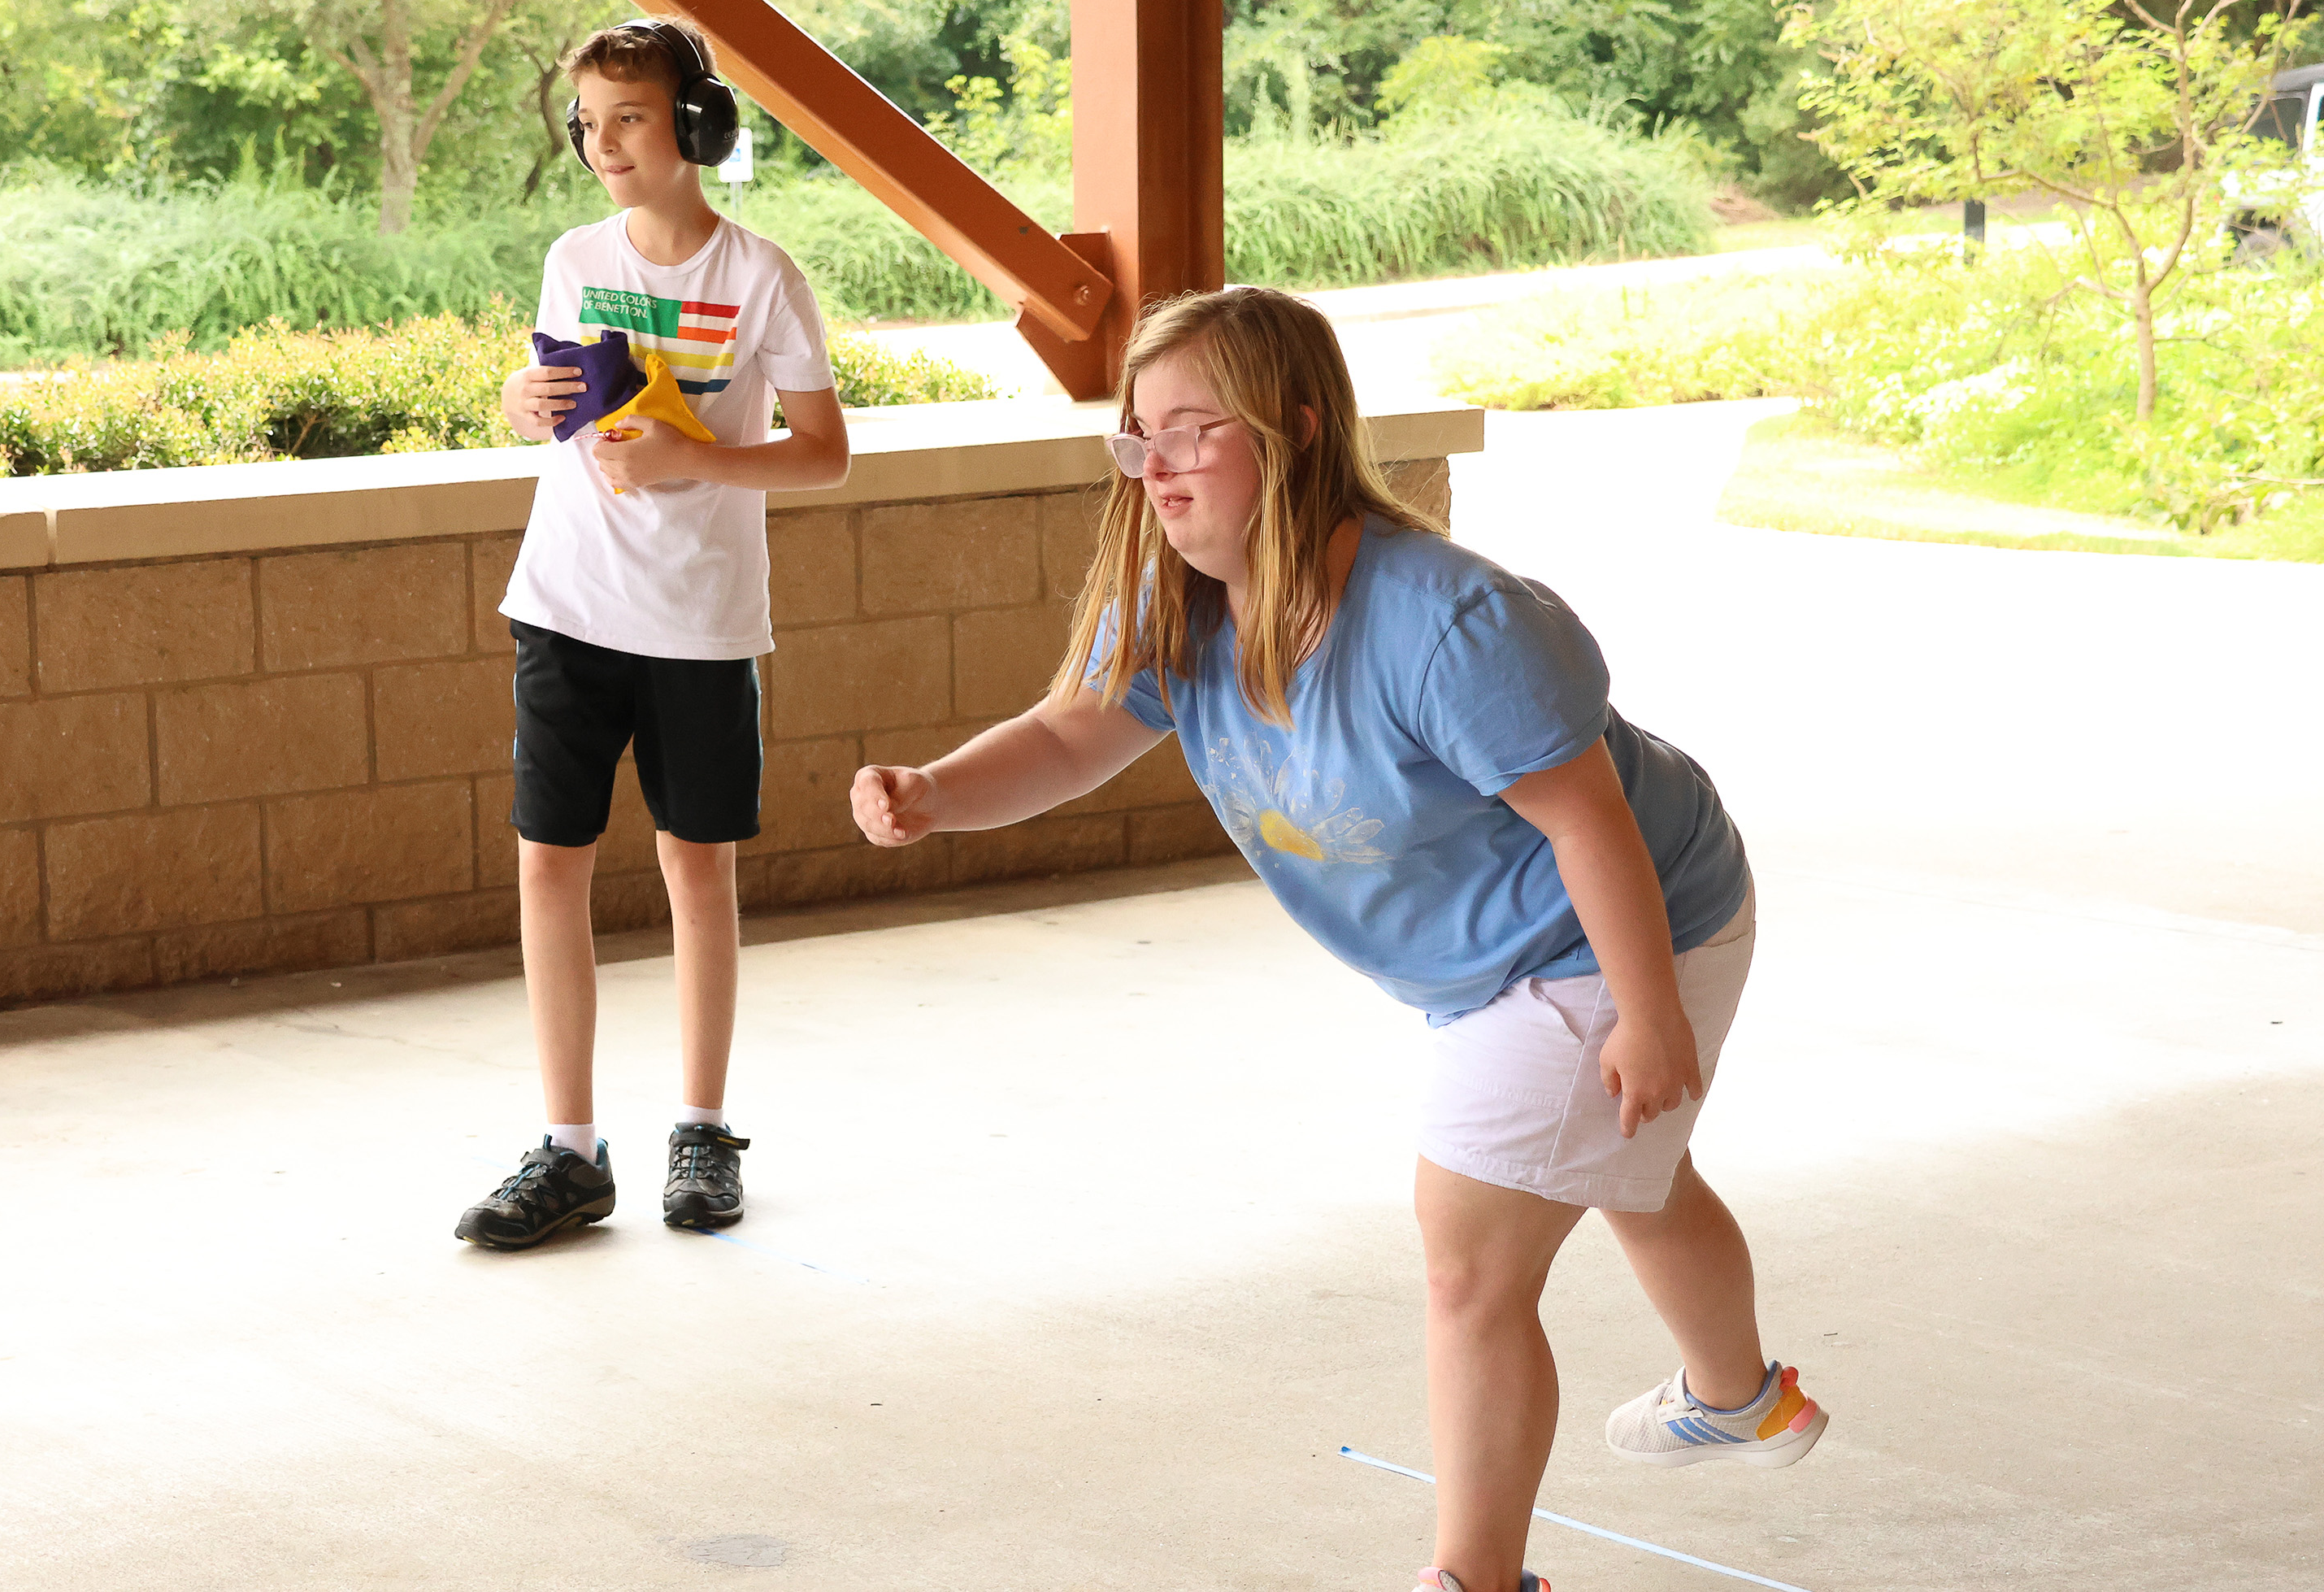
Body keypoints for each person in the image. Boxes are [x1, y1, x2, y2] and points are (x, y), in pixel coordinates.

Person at [847, 288, 1824, 1592]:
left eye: (1197, 431)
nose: (1160, 468)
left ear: (1296, 432)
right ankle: (1743, 1398)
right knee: (1616, 1170)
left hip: (1619, 920)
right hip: (1482, 957)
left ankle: (1474, 1579)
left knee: (1470, 1255)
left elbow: (1592, 824)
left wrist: (1650, 1014)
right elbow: (1071, 730)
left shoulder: (1449, 623)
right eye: (1140, 438)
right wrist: (940, 792)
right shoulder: (1181, 598)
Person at [458, 17, 849, 1251]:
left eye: (629, 116)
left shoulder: (760, 275)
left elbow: (827, 453)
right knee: (549, 865)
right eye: (588, 120)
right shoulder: (574, 257)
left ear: (695, 126)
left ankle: (703, 1129)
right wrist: (521, 401)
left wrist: (701, 455)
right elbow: (556, 403)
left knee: (698, 868)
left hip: (698, 619)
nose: (603, 141)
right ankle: (571, 1151)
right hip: (566, 604)